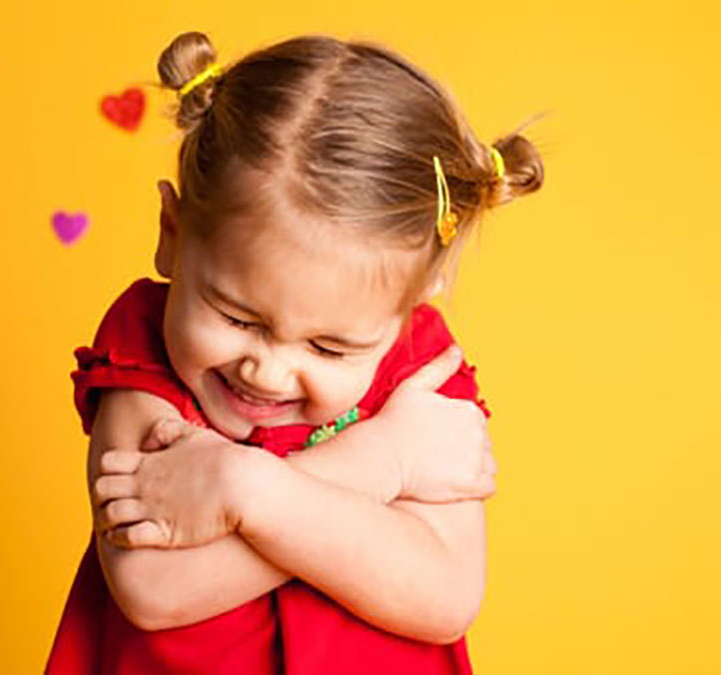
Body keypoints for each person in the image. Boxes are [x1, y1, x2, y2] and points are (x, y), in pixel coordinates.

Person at [45, 31, 543, 675]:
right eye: (236, 317)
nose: (268, 371)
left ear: (411, 308)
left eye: (329, 347)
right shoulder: (146, 346)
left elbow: (444, 595)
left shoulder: (418, 374)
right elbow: (152, 588)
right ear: (172, 235)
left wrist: (246, 492)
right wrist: (377, 461)